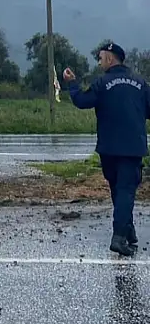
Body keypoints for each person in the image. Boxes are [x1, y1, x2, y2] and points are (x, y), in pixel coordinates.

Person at [63, 42, 150, 256]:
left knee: (117, 189)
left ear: (110, 59)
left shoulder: (102, 82)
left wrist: (72, 84)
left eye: (101, 58)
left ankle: (127, 231)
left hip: (108, 148)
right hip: (132, 147)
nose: (99, 61)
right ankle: (120, 236)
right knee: (126, 191)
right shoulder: (141, 83)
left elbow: (83, 101)